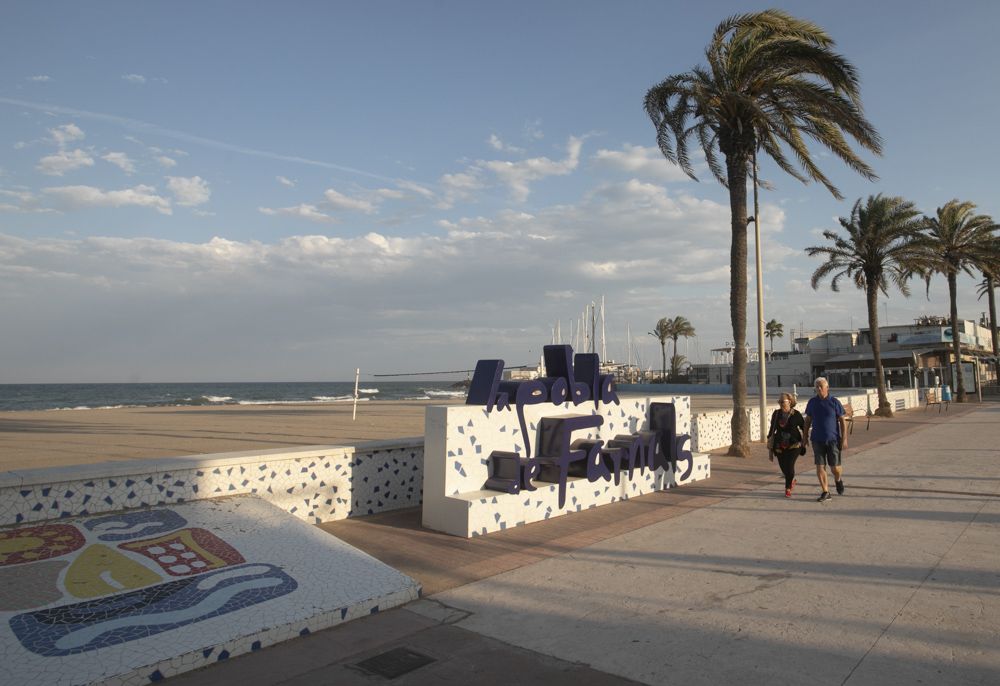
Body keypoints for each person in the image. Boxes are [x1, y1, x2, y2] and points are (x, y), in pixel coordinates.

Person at [802, 377, 848, 503]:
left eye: (821, 386)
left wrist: (844, 439)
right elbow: (807, 420)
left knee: (835, 468)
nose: (818, 388)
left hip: (833, 439)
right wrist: (804, 437)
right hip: (817, 439)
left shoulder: (834, 402)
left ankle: (838, 480)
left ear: (827, 388)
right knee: (820, 466)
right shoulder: (812, 402)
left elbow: (842, 421)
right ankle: (825, 491)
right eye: (816, 386)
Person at [767, 392, 807, 497]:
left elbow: (804, 428)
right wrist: (770, 447)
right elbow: (772, 430)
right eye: (779, 401)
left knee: (789, 466)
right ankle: (791, 480)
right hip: (779, 445)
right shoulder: (776, 414)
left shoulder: (796, 414)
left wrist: (805, 440)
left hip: (794, 444)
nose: (780, 403)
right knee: (784, 467)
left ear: (790, 401)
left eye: (782, 401)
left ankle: (787, 488)